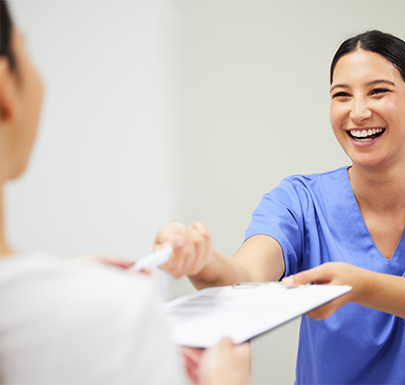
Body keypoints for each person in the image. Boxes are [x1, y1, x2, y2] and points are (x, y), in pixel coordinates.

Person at [155, 30, 405, 384]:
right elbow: (244, 282)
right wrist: (203, 261)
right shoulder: (299, 201)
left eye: (378, 91)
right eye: (342, 95)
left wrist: (361, 286)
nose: (359, 112)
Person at [0, 1, 251, 384]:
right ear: (5, 92)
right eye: (27, 51)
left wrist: (59, 280)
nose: (359, 111)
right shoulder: (117, 313)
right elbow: (256, 281)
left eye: (377, 91)